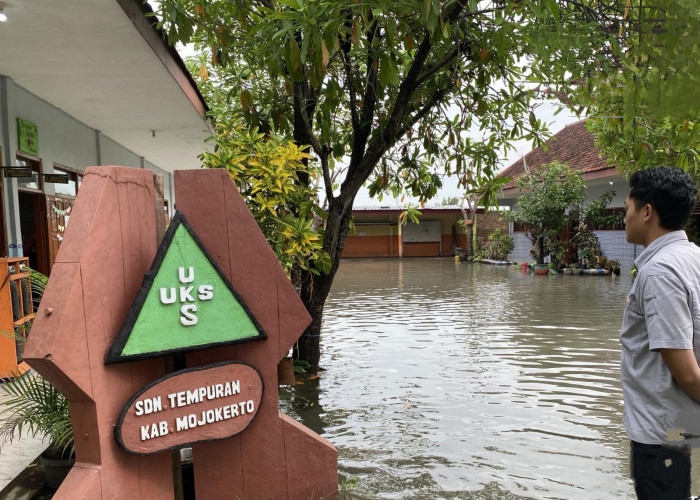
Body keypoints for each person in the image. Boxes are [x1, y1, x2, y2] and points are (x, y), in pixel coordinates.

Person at [620, 166, 700, 499]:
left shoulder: (660, 272)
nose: (624, 218)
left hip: (659, 435)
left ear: (647, 212)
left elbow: (689, 374)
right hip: (678, 427)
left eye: (627, 210)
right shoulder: (693, 257)